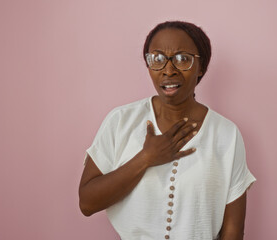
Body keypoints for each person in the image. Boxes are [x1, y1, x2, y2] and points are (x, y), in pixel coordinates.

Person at [79, 21, 256, 240]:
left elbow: (233, 231)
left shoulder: (227, 134)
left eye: (183, 59)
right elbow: (87, 203)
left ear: (201, 67)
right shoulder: (121, 121)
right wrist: (146, 158)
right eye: (158, 59)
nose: (169, 70)